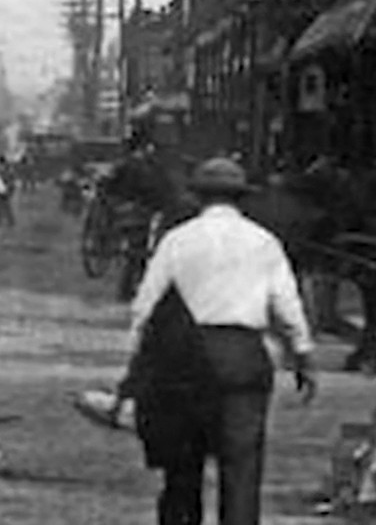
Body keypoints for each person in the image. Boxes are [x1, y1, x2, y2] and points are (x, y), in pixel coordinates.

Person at [117, 157, 317, 525]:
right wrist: (304, 356)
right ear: (240, 199)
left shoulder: (177, 240)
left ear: (199, 198)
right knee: (242, 466)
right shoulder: (264, 242)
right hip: (243, 358)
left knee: (182, 465)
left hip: (185, 362)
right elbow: (288, 306)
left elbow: (144, 306)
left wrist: (133, 369)